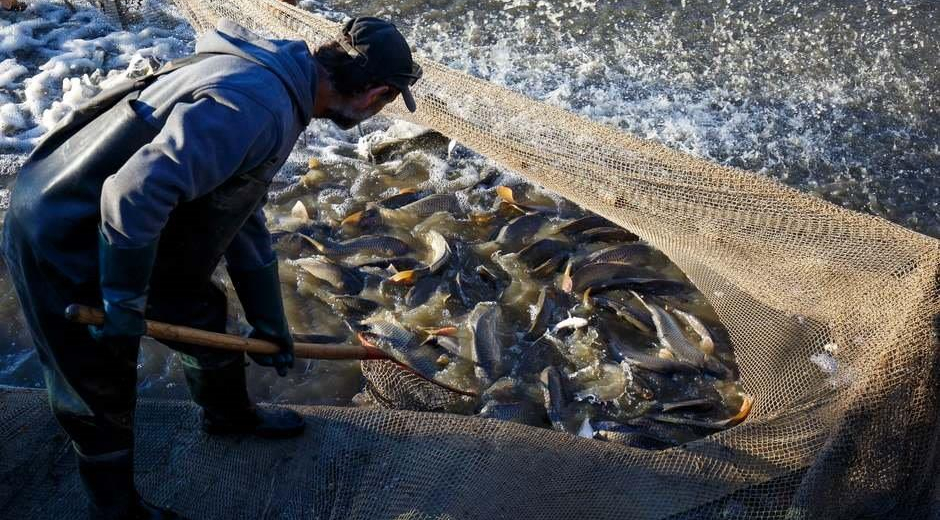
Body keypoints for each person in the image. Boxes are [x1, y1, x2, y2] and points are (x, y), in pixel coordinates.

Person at [1, 16, 421, 520]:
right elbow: (132, 194)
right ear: (375, 93)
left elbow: (237, 203)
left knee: (199, 309)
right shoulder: (256, 106)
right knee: (96, 380)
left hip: (117, 218)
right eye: (387, 102)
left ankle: (227, 415)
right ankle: (115, 511)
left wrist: (269, 317)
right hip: (61, 228)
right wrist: (122, 297)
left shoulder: (280, 79)